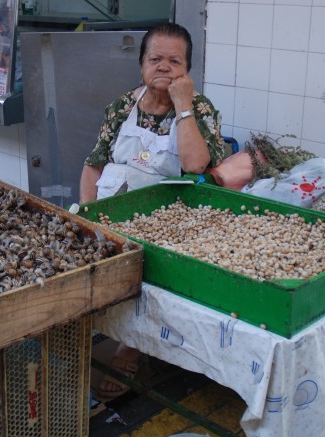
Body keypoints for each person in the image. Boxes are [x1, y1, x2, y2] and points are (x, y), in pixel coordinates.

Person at [80, 22, 225, 400]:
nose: (163, 67)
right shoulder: (121, 107)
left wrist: (182, 106)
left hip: (167, 225)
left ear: (188, 70)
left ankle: (131, 348)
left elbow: (195, 165)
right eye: (154, 59)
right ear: (142, 65)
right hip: (113, 215)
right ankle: (103, 335)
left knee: (151, 284)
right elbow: (93, 166)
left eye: (174, 61)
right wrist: (85, 218)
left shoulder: (201, 110)